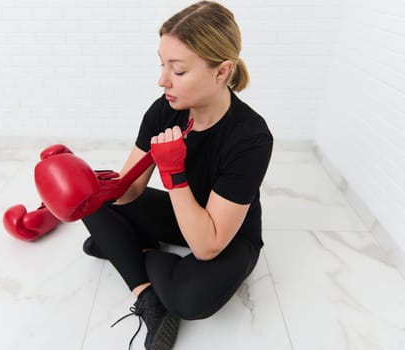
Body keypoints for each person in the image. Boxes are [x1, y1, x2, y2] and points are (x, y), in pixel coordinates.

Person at [81, 1, 273, 349]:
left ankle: (131, 250)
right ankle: (147, 295)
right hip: (180, 213)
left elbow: (206, 246)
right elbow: (130, 190)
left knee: (189, 300)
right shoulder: (164, 109)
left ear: (221, 71)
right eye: (162, 64)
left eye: (178, 70)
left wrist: (173, 172)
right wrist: (87, 183)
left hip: (226, 235)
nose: (162, 80)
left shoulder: (251, 137)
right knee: (89, 199)